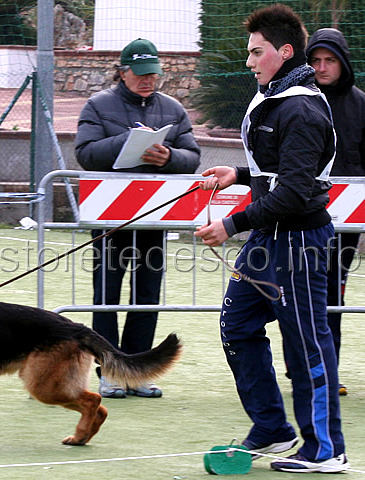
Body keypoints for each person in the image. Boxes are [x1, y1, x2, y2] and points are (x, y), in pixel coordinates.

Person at [194, 4, 348, 473]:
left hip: (299, 241)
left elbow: (299, 191)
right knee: (236, 326)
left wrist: (231, 224)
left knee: (306, 346)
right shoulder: (280, 96)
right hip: (268, 238)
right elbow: (280, 169)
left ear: (284, 52)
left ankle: (327, 450)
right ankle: (273, 429)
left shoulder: (301, 106)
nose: (248, 61)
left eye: (256, 52)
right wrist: (237, 173)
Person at [75, 38, 200, 398]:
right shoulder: (98, 105)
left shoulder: (173, 108)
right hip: (111, 217)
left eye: (154, 75)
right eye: (141, 75)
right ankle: (110, 370)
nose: (148, 81)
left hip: (154, 214)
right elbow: (85, 153)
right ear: (122, 72)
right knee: (107, 294)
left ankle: (139, 371)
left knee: (147, 293)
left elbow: (192, 155)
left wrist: (169, 157)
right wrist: (127, 142)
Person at [306, 28, 365, 397]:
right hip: (299, 217)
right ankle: (303, 371)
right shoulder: (296, 100)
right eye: (316, 61)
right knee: (297, 297)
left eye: (330, 61)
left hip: (344, 225)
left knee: (332, 298)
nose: (323, 68)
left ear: (343, 63)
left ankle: (328, 373)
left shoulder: (361, 104)